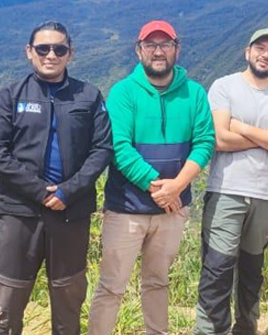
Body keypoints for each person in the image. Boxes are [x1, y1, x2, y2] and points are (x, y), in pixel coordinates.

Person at [0, 21, 113, 335]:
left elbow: (102, 149)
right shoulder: (11, 96)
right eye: (43, 48)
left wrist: (68, 191)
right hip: (19, 213)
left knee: (68, 302)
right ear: (29, 52)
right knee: (7, 301)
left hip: (71, 213)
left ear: (70, 54)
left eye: (59, 48)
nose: (51, 54)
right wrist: (40, 191)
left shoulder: (89, 96)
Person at [88, 20, 215, 335]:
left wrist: (178, 186)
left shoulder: (194, 93)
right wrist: (161, 187)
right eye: (151, 45)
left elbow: (204, 142)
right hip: (126, 210)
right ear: (138, 49)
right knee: (112, 286)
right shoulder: (123, 92)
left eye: (165, 44)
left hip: (172, 211)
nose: (158, 51)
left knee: (157, 283)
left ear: (177, 48)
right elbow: (119, 147)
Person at [194, 28, 268, 335]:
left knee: (252, 272)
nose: (265, 54)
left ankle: (246, 328)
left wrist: (241, 127)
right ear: (247, 52)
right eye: (260, 48)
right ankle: (210, 331)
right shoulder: (224, 86)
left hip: (267, 195)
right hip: (226, 190)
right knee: (217, 268)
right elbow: (219, 138)